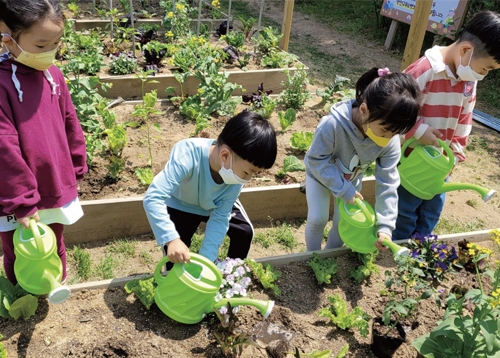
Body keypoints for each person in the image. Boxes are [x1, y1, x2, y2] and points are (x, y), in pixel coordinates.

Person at [0, 0, 88, 284]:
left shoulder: (54, 75)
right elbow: (4, 147)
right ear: (7, 37)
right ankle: (20, 290)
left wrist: (76, 165)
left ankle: (55, 285)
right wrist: (22, 201)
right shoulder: (2, 84)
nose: (49, 52)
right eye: (41, 45)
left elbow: (69, 121)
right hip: (17, 195)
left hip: (53, 182)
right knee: (19, 248)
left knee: (54, 240)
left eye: (56, 44)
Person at [393, 11, 500, 241]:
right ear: (466, 51)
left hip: (440, 163)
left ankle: (423, 242)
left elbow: (465, 118)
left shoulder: (468, 81)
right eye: (486, 69)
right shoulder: (425, 71)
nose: (483, 75)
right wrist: (418, 131)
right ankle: (398, 245)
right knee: (406, 208)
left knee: (433, 206)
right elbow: (395, 108)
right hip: (413, 161)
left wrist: (457, 150)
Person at [304, 67, 420, 252]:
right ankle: (311, 256)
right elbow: (315, 160)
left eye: (395, 133)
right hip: (320, 175)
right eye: (385, 131)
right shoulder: (332, 125)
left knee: (344, 223)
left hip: (351, 181)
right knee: (318, 219)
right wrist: (343, 189)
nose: (389, 138)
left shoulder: (389, 141)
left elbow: (388, 183)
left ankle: (328, 257)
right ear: (364, 110)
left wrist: (385, 226)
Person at [143, 111, 277, 268]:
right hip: (181, 203)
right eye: (248, 172)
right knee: (175, 253)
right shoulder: (188, 153)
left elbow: (220, 217)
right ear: (225, 156)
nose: (248, 179)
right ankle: (173, 282)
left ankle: (232, 277)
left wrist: (207, 260)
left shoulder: (235, 173)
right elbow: (153, 197)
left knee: (244, 232)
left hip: (215, 202)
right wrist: (171, 239)